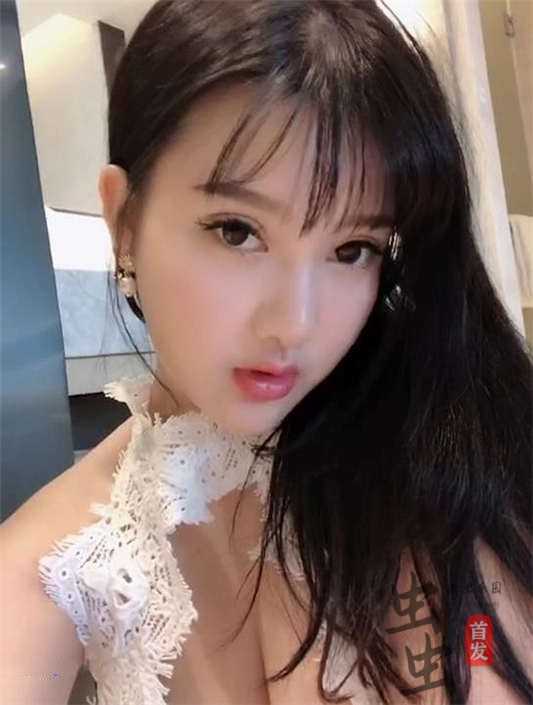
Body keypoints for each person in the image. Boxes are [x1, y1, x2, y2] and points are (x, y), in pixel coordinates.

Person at [1, 1, 532, 704]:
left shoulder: (439, 448)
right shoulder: (52, 566)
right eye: (237, 231)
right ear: (123, 220)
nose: (295, 324)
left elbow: (486, 650)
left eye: (353, 249)